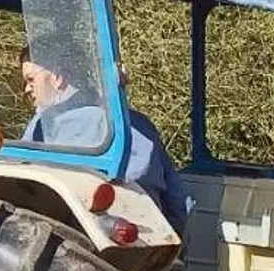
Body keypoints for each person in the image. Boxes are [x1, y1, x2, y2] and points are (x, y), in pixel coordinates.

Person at [20, 46, 194, 236]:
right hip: (146, 243)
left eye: (31, 79)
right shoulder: (139, 125)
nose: (27, 89)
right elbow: (178, 202)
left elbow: (23, 190)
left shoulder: (44, 127)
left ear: (58, 77)